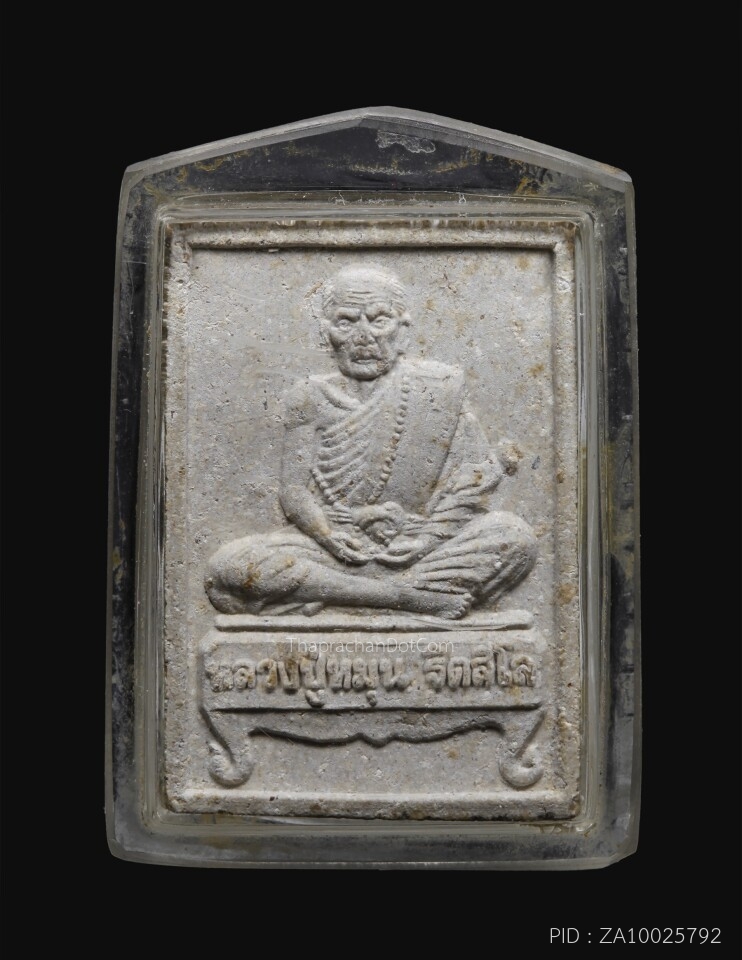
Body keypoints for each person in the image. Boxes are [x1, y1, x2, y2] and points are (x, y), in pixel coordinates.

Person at [206, 266, 536, 619]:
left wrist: (426, 540)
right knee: (229, 566)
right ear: (326, 332)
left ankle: (345, 594)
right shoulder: (309, 396)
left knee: (513, 536)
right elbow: (294, 491)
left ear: (403, 331)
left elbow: (476, 483)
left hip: (414, 548)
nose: (363, 337)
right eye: (346, 322)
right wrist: (328, 535)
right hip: (333, 549)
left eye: (378, 320)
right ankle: (403, 597)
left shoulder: (439, 388)